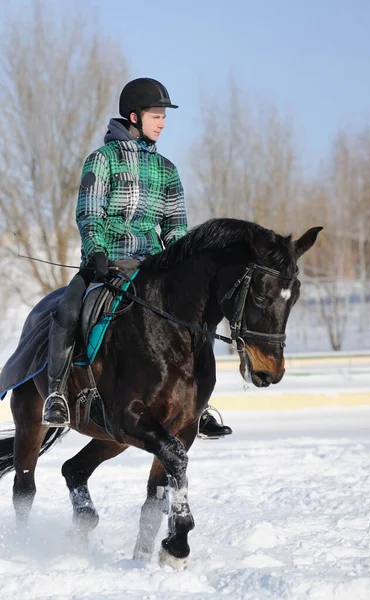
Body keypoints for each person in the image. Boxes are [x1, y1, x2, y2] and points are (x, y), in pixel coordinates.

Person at [42, 77, 232, 439]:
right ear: (134, 115)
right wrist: (96, 250)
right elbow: (89, 214)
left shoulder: (168, 170)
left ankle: (199, 404)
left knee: (197, 320)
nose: (162, 122)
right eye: (156, 115)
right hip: (106, 263)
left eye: (164, 116)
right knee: (68, 309)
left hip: (154, 268)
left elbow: (177, 229)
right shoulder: (102, 160)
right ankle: (56, 393)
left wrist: (187, 266)